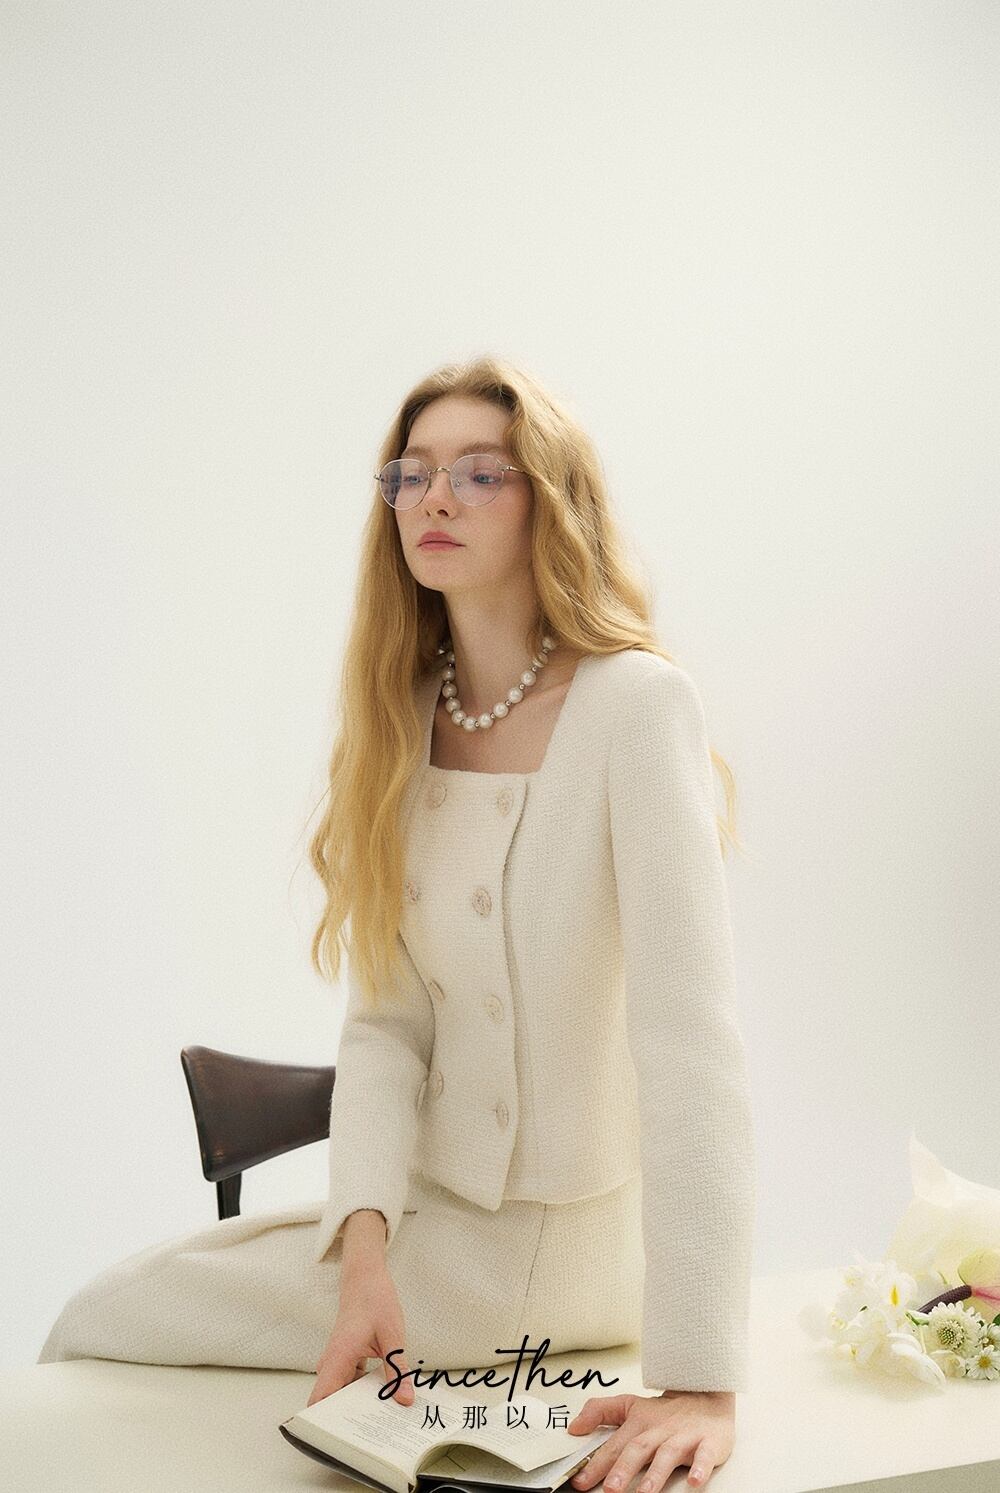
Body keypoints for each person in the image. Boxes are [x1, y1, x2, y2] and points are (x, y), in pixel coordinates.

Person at [38, 357, 756, 1493]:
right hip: (434, 1228)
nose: (435, 498)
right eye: (411, 474)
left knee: (105, 1314)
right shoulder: (403, 714)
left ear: (551, 500)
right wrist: (362, 1255)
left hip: (563, 1248)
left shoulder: (634, 703)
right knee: (101, 1313)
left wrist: (702, 1377)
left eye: (480, 472)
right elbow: (386, 1026)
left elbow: (690, 1047)